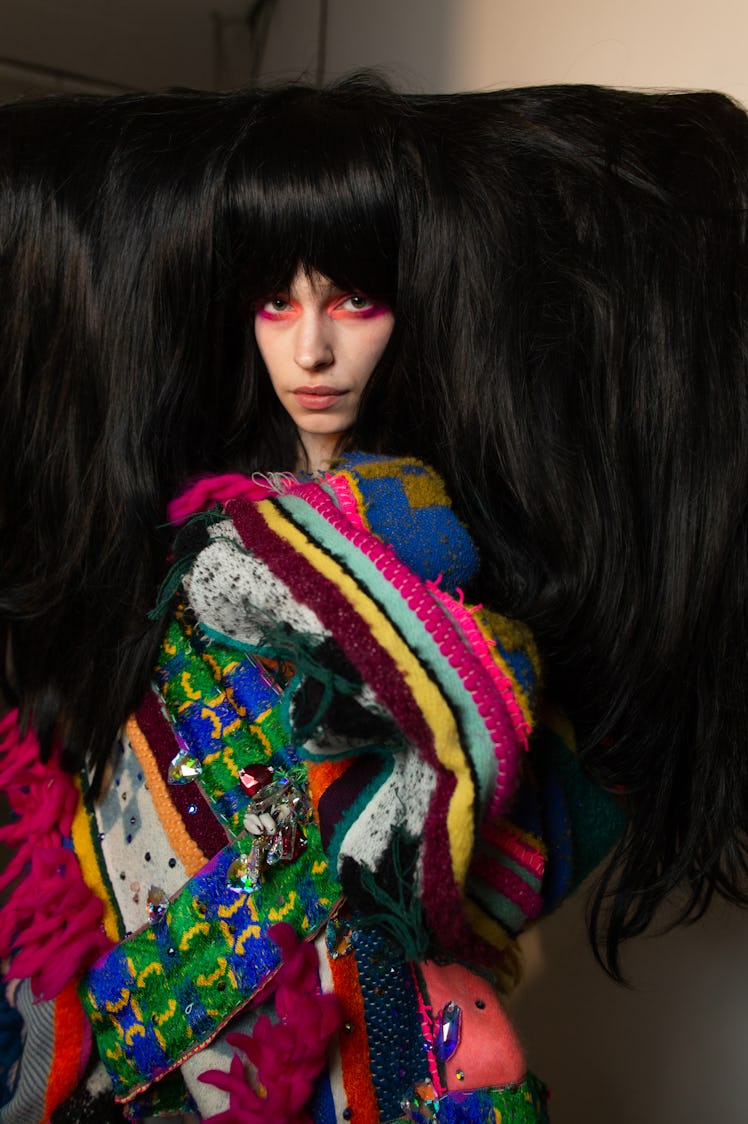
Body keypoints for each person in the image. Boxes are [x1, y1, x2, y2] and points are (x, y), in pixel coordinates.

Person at [0, 76, 745, 1123]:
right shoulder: (198, 523)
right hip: (129, 978)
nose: (311, 348)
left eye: (354, 299)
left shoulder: (431, 545)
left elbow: (454, 829)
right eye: (276, 299)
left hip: (330, 1018)